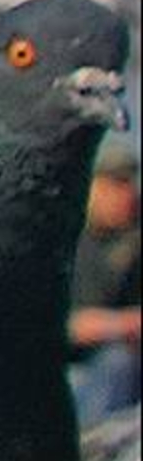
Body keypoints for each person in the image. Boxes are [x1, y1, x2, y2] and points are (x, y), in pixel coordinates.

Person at [72, 134, 139, 426]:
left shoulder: (134, 239)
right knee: (117, 364)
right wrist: (123, 324)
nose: (126, 194)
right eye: (115, 184)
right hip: (75, 370)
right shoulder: (64, 240)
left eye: (128, 183)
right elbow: (65, 327)